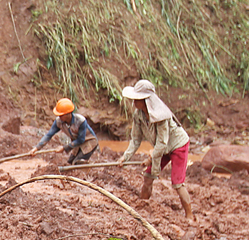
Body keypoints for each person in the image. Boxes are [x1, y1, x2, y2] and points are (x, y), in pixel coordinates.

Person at [117, 79, 193, 219]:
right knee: (148, 176)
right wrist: (125, 157)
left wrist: (150, 159)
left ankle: (190, 215)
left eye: (137, 99)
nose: (134, 102)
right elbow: (136, 139)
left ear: (146, 99)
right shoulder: (138, 115)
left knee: (177, 183)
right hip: (162, 148)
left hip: (177, 145)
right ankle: (142, 206)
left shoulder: (161, 116)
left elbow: (162, 143)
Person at [29, 98, 99, 164]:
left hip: (89, 142)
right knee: (69, 163)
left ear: (69, 114)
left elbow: (81, 140)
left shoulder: (80, 121)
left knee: (77, 163)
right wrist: (36, 148)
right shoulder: (58, 121)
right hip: (77, 143)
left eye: (61, 115)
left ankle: (84, 174)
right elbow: (49, 135)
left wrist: (64, 148)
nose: (59, 117)